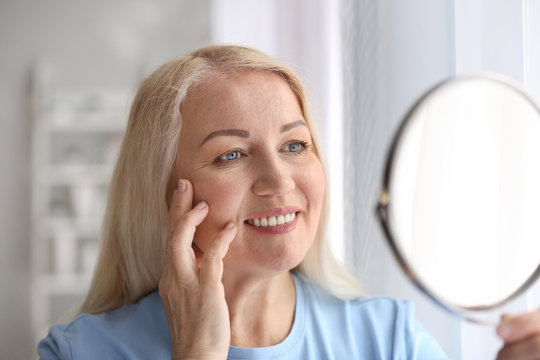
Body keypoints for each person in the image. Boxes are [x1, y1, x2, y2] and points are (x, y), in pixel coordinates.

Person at [38, 45, 540, 359]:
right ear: (168, 194)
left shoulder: (389, 340)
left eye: (294, 145)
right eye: (232, 154)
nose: (278, 181)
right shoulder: (80, 352)